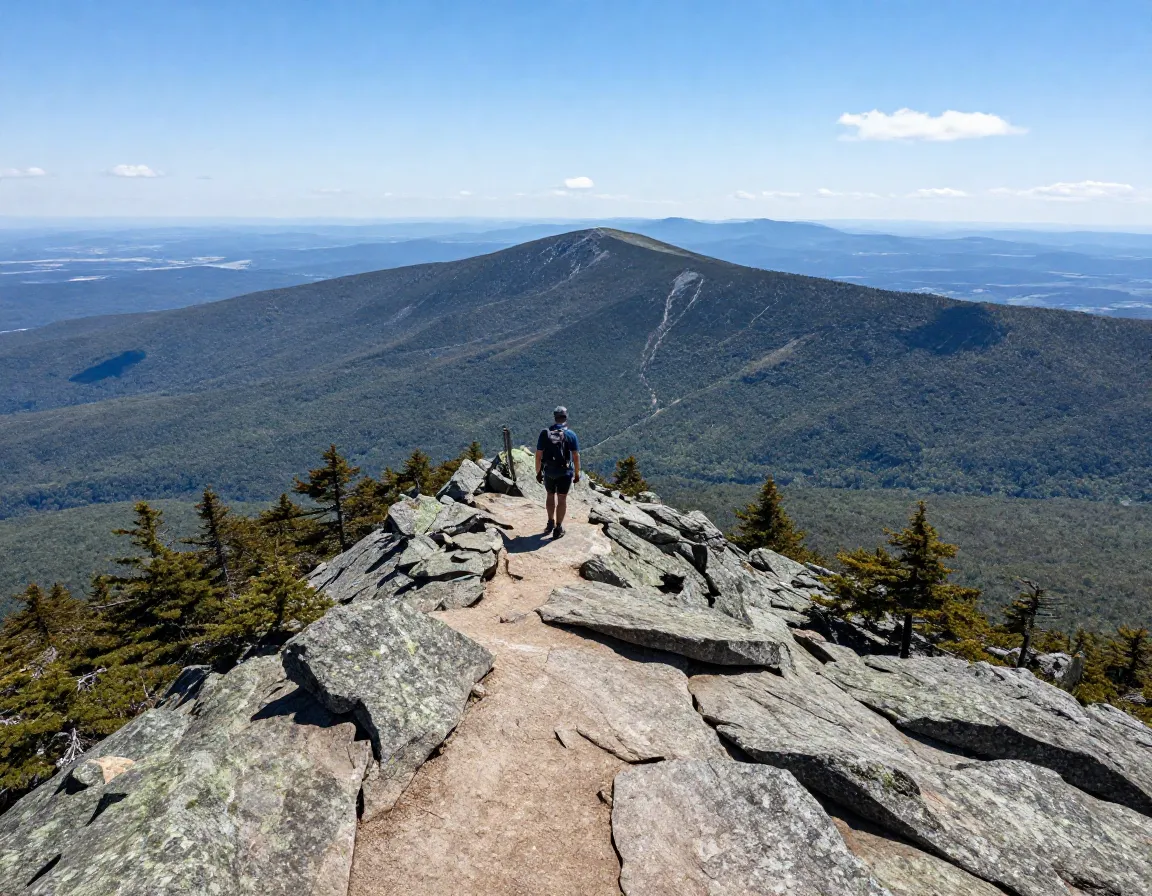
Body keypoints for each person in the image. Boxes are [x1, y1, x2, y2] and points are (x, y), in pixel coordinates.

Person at [535, 405, 580, 538]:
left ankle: (550, 522)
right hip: (565, 472)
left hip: (549, 471)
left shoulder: (546, 433)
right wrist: (577, 473)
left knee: (550, 494)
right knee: (562, 498)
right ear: (566, 417)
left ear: (555, 417)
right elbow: (576, 456)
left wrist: (538, 472)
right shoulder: (571, 434)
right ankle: (558, 528)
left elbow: (538, 455)